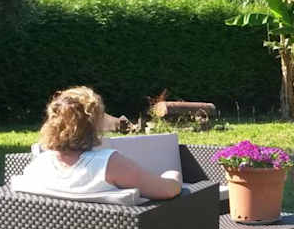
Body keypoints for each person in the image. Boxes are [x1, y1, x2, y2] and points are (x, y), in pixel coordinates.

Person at [20, 86, 182, 200]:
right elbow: (166, 190)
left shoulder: (39, 165)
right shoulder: (108, 164)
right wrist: (173, 176)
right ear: (94, 124)